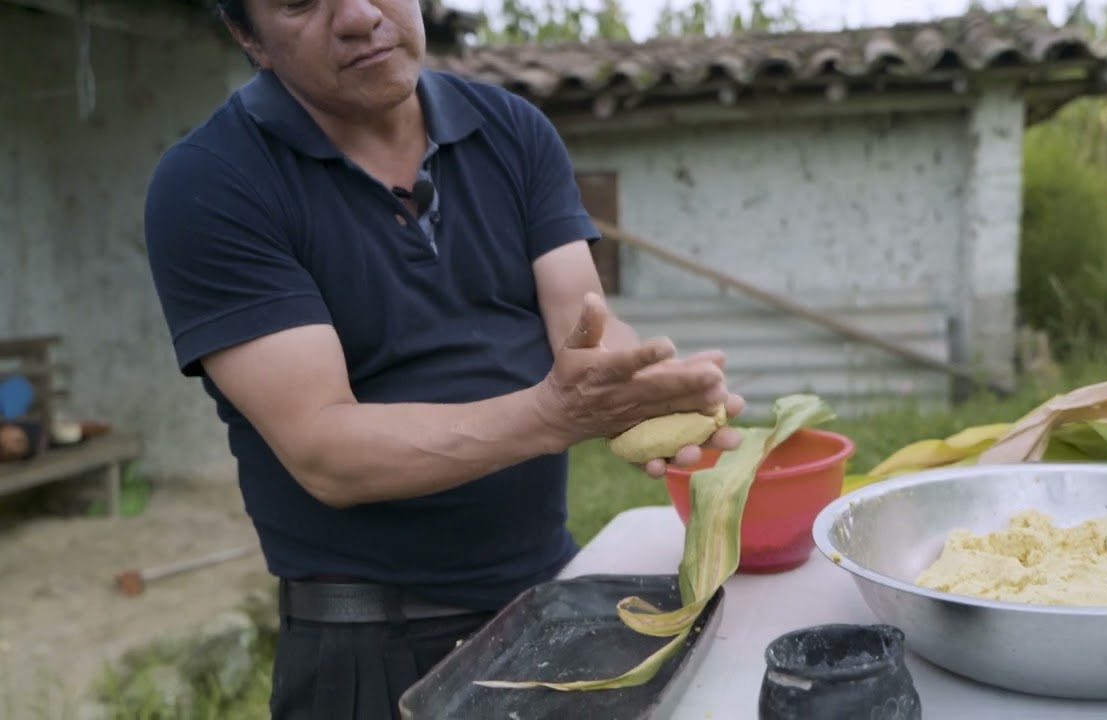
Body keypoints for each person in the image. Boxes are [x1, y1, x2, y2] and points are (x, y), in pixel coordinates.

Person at [141, 0, 745, 717]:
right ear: (249, 36)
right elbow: (325, 449)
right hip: (370, 643)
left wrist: (637, 385)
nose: (360, 16)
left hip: (547, 591)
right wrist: (554, 416)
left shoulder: (512, 131)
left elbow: (579, 320)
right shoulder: (213, 183)